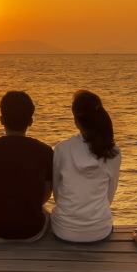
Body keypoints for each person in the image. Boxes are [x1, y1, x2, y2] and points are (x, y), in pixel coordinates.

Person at [0, 91, 54, 242]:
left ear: (1, 120)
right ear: (31, 121)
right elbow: (45, 195)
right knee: (47, 214)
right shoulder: (45, 151)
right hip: (32, 233)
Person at [51, 90, 122, 242]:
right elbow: (110, 194)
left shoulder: (62, 149)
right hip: (99, 230)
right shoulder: (113, 152)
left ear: (76, 120)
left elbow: (57, 193)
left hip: (64, 230)